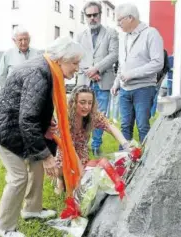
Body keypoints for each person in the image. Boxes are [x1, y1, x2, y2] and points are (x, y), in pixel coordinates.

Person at [0, 37, 84, 237]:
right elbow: (27, 120)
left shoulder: (48, 67)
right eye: (75, 63)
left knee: (35, 165)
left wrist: (46, 123)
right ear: (61, 59)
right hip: (4, 128)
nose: (77, 68)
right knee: (19, 177)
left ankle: (31, 209)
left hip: (17, 124)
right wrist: (46, 156)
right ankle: (4, 228)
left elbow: (36, 107)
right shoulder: (40, 72)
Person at [54, 85, 130, 193]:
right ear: (73, 102)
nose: (87, 107)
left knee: (84, 172)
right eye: (82, 102)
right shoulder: (65, 118)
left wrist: (125, 144)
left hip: (81, 150)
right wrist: (81, 175)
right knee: (62, 169)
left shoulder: (93, 115)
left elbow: (110, 126)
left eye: (90, 103)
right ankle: (60, 179)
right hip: (65, 149)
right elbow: (69, 148)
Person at [111, 3, 163, 145]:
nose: (117, 24)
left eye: (119, 20)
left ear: (130, 18)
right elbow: (123, 63)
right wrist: (116, 83)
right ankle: (124, 161)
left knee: (143, 126)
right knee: (125, 126)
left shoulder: (151, 33)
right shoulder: (123, 37)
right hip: (124, 89)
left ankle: (145, 161)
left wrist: (132, 74)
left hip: (144, 89)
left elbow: (158, 63)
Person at [76, 1, 119, 156]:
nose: (92, 18)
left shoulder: (111, 33)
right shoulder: (80, 36)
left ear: (100, 15)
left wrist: (96, 68)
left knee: (99, 116)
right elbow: (76, 57)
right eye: (89, 15)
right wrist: (89, 71)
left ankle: (96, 146)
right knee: (82, 116)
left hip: (103, 81)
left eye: (95, 14)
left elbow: (114, 54)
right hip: (85, 83)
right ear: (85, 17)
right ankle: (81, 146)